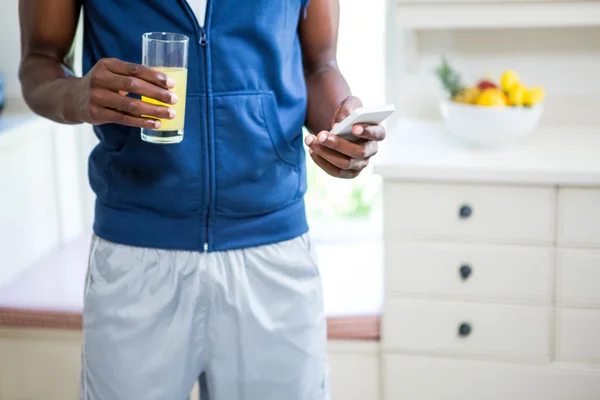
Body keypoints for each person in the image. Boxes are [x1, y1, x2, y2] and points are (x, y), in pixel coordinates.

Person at [18, 0, 386, 399]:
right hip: (135, 253)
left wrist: (341, 131)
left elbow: (320, 65)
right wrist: (78, 94)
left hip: (272, 253)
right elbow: (39, 61)